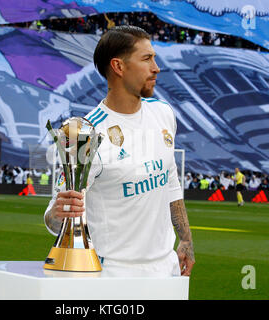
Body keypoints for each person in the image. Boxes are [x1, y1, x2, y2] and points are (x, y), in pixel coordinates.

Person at [44, 26, 195, 277]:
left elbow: (170, 181)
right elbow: (54, 218)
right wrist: (58, 214)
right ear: (119, 67)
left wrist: (186, 240)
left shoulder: (163, 113)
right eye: (147, 59)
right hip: (115, 272)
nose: (156, 67)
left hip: (167, 268)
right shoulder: (86, 134)